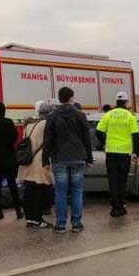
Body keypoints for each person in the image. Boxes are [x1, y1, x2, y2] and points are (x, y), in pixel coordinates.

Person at [43, 87, 93, 233]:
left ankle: (60, 224)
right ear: (71, 98)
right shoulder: (80, 115)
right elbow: (86, 139)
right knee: (77, 191)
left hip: (59, 158)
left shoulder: (52, 117)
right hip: (78, 157)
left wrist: (45, 159)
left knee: (60, 192)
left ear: (59, 98)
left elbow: (48, 140)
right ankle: (76, 223)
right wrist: (89, 158)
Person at [96, 91, 139, 217]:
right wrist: (136, 152)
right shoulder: (130, 116)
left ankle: (114, 208)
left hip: (111, 152)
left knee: (113, 181)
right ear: (126, 102)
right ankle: (121, 206)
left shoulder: (109, 114)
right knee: (122, 181)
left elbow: (98, 131)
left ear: (116, 102)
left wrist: (104, 142)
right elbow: (135, 135)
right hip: (125, 153)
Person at [18, 101, 55, 228]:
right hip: (40, 160)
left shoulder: (29, 124)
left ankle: (29, 218)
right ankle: (38, 219)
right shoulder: (47, 124)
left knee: (29, 189)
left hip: (28, 160)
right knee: (40, 190)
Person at [0, 101, 24, 221]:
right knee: (12, 184)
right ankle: (18, 210)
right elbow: (14, 137)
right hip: (9, 157)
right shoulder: (8, 122)